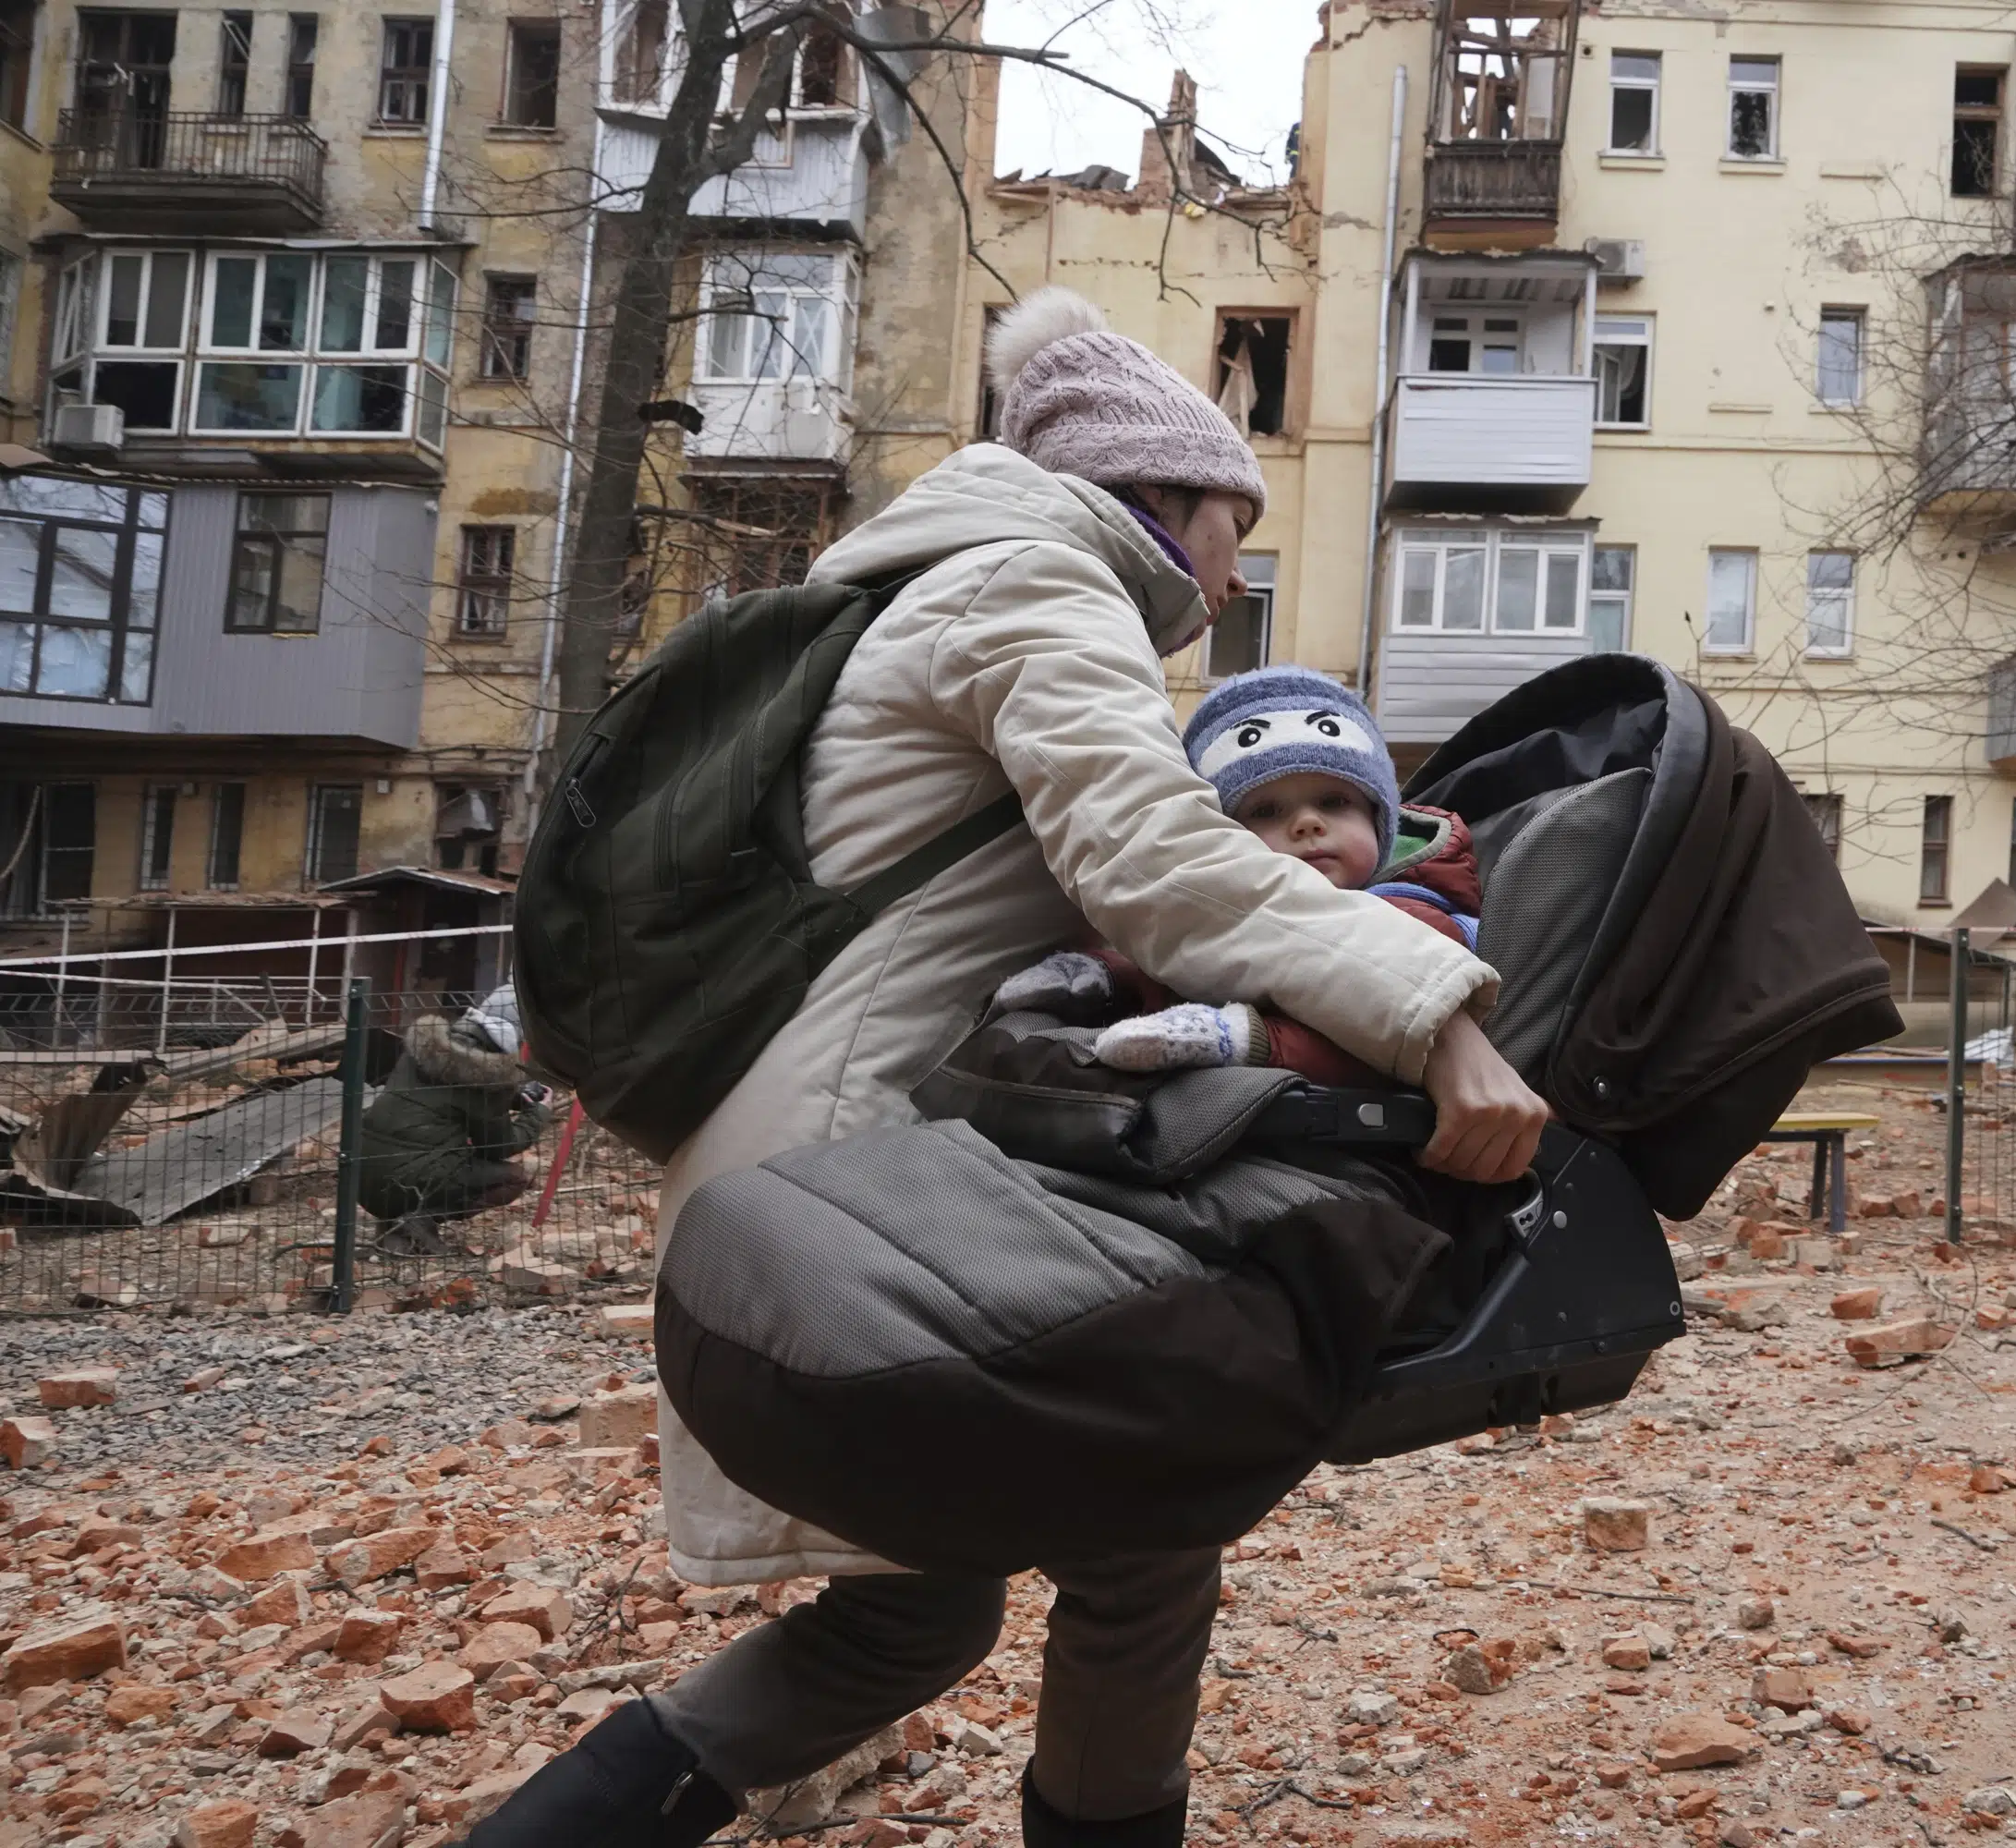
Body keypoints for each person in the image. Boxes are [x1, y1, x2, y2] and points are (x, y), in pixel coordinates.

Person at [470, 288, 1549, 1848]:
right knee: (1147, 1519)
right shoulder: (1041, 588)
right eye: (1231, 522)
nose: (1235, 569)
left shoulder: (937, 591)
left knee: (910, 1622)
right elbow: (1156, 859)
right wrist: (1434, 1011)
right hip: (858, 1188)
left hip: (806, 1174)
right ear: (1162, 503)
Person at [998, 666, 1483, 1083]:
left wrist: (1245, 1039)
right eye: (1266, 811)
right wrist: (1111, 974)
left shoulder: (1418, 917)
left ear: (1381, 819)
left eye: (1335, 802)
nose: (1307, 824)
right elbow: (1184, 962)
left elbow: (1391, 1037)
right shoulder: (1221, 909)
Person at [355, 984, 546, 1256]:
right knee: (513, 1177)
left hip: (362, 1176)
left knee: (415, 1151)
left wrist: (512, 1097)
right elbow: (498, 1147)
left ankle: (394, 1229)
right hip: (408, 1180)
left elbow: (444, 1093)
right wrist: (539, 1112)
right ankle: (424, 1217)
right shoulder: (490, 1078)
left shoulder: (422, 1051)